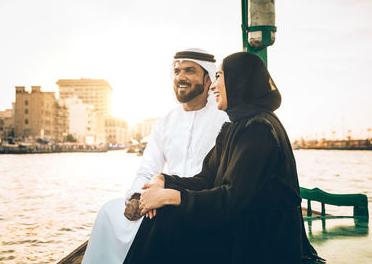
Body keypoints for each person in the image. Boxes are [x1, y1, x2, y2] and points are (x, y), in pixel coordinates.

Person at [124, 52, 323, 264]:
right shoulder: (234, 127)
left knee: (168, 217)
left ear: (240, 81)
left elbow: (231, 198)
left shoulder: (259, 129)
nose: (213, 86)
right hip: (243, 226)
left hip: (265, 240)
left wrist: (168, 197)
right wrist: (163, 181)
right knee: (165, 216)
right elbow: (206, 179)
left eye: (219, 77)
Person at [81, 48, 228, 264]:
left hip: (201, 201)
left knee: (166, 220)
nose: (181, 77)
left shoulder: (223, 119)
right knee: (109, 212)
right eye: (177, 71)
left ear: (208, 78)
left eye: (189, 71)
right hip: (162, 197)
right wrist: (136, 198)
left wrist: (167, 197)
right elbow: (148, 170)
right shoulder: (164, 124)